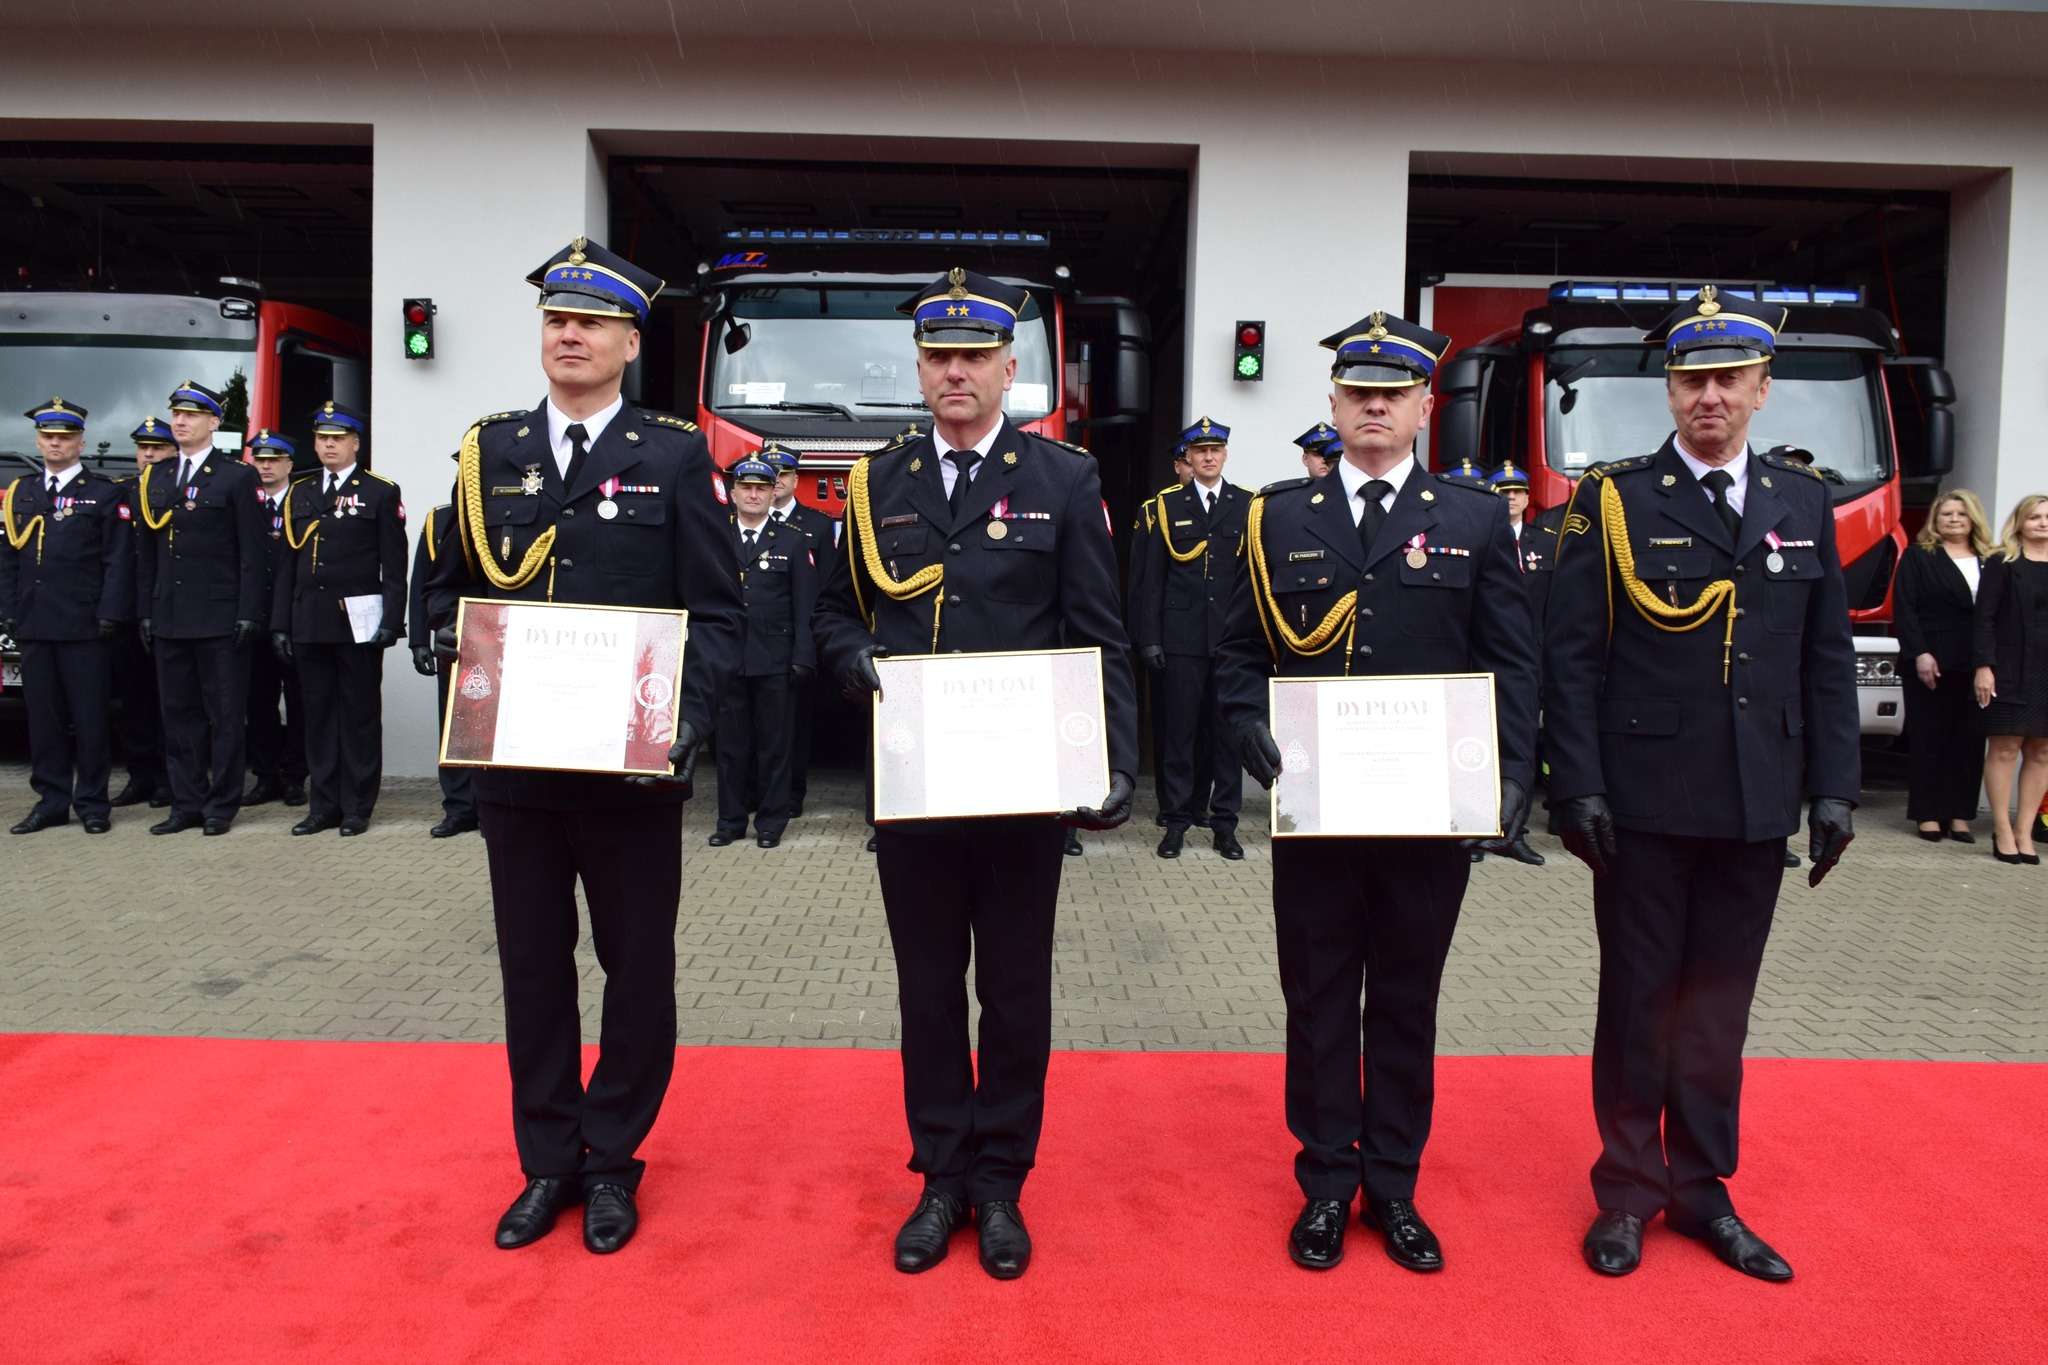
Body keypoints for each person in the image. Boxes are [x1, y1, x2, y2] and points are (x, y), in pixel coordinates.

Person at [813, 267, 1138, 1281]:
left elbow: (1097, 630)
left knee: (1013, 991)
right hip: (915, 786)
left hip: (1020, 791)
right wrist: (852, 660)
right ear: (918, 370)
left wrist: (1116, 759)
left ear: (1008, 368)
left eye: (974, 356)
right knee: (925, 992)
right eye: (938, 356)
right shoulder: (877, 482)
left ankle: (1000, 1183)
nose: (955, 372)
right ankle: (940, 1177)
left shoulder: (1062, 480)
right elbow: (833, 612)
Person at [424, 236, 743, 1256]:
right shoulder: (489, 451)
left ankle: (611, 1158)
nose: (570, 335)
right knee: (532, 970)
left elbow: (718, 613)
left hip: (628, 774)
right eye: (558, 319)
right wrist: (443, 638)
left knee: (636, 970)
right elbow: (448, 582)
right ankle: (547, 1161)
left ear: (629, 344)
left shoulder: (672, 455)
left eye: (593, 323)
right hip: (516, 767)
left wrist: (688, 720)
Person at [1544, 285, 1859, 1282]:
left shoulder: (1801, 501)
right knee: (1640, 998)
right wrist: (1574, 784)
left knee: (1719, 1004)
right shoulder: (1615, 499)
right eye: (1691, 381)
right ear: (1669, 391)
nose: (1708, 397)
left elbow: (1825, 659)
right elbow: (1572, 658)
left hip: (1756, 800)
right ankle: (1627, 1190)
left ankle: (1701, 1187)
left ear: (1763, 388)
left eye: (1728, 379)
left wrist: (1835, 789)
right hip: (1642, 799)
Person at [1215, 310, 1539, 1274]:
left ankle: (1393, 1183)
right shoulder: (1278, 516)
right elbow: (1238, 649)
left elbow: (1511, 662)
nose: (1374, 406)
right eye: (1358, 391)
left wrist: (1511, 773)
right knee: (1317, 998)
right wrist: (1245, 720)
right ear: (1333, 402)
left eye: (1393, 393)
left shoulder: (1472, 519)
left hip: (1427, 816)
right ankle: (1325, 1182)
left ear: (1424, 407)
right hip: (1315, 809)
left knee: (1405, 997)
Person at [134, 380, 266, 836]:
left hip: (219, 617)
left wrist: (249, 612)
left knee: (225, 717)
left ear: (213, 422)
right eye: (176, 414)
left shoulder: (236, 476)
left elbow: (252, 552)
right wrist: (146, 609)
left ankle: (220, 806)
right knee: (178, 715)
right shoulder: (157, 476)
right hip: (170, 615)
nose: (180, 422)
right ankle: (186, 802)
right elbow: (147, 553)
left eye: (190, 415)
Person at [271, 404, 405, 836]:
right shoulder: (300, 492)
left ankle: (357, 806)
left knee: (359, 716)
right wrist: (280, 623)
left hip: (358, 623)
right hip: (309, 621)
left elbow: (394, 565)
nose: (329, 444)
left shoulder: (379, 492)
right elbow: (287, 564)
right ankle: (324, 805)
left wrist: (392, 620)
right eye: (322, 438)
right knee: (317, 717)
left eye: (338, 438)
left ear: (355, 443)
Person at [1, 399, 134, 834]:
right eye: (48, 437)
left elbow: (118, 561)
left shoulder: (105, 493)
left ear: (81, 442)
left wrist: (111, 613)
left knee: (90, 718)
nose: (55, 443)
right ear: (38, 441)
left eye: (64, 437)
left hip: (85, 625)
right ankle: (51, 801)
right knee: (44, 719)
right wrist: (9, 610)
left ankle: (92, 803)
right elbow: (8, 557)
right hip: (35, 622)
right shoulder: (22, 492)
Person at [1136, 417, 1249, 860]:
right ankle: (1176, 823)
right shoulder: (1167, 506)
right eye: (1200, 451)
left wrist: (1256, 641)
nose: (1208, 457)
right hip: (1180, 639)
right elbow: (1152, 580)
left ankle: (1225, 825)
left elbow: (1253, 580)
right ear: (1188, 457)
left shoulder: (1247, 504)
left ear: (1225, 455)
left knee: (1228, 738)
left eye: (1215, 450)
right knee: (1180, 737)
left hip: (1231, 641)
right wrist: (1150, 637)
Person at [710, 450, 819, 849]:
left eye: (761, 488)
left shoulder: (793, 541)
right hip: (727, 659)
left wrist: (804, 657)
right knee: (730, 747)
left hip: (775, 660)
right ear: (733, 493)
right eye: (745, 487)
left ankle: (771, 822)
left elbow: (805, 606)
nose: (753, 495)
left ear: (774, 493)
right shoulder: (716, 539)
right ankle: (730, 821)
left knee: (775, 746)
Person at [1896, 490, 1993, 842]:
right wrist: (1919, 653)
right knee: (1930, 737)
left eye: (1961, 514)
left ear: (1973, 519)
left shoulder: (1991, 559)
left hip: (1976, 661)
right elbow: (1905, 607)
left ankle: (1959, 814)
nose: (1954, 519)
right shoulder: (1918, 556)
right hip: (1931, 659)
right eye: (1947, 513)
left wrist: (1990, 661)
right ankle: (1927, 813)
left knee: (1968, 739)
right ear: (1935, 519)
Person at [1473, 460, 1549, 866]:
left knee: (1523, 740)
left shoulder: (1546, 543)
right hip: (1484, 661)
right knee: (1479, 744)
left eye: (1517, 492)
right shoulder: (1476, 537)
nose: (1511, 499)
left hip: (1532, 657)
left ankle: (1515, 833)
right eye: (1503, 493)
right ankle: (1477, 829)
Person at [1973, 492, 2048, 865]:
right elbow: (1984, 618)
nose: (2043, 523)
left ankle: (2024, 831)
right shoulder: (2002, 562)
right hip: (2009, 667)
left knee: (2042, 751)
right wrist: (1984, 666)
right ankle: (2002, 829)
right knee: (2005, 747)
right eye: (2035, 517)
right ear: (2019, 522)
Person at [763, 443, 836, 820]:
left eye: (784, 475)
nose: (776, 481)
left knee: (795, 722)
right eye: (770, 475)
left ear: (795, 480)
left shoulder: (818, 524)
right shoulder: (741, 521)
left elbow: (827, 585)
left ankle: (792, 791)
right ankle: (753, 791)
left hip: (798, 639)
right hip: (757, 638)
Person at [108, 417, 174, 808]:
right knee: (133, 701)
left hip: (168, 611)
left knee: (169, 701)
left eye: (158, 448)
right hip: (128, 613)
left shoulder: (179, 491)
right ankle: (140, 776)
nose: (148, 454)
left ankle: (168, 778)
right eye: (143, 448)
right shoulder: (120, 492)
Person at [244, 432, 308, 808]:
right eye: (260, 460)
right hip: (255, 621)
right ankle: (265, 776)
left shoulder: (301, 502)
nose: (266, 466)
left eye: (274, 460)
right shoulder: (246, 503)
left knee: (300, 704)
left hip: (294, 621)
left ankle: (295, 776)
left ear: (289, 465)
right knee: (259, 704)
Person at [406, 498, 476, 837]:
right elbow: (423, 580)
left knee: (494, 729)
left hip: (501, 637)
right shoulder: (440, 518)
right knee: (454, 728)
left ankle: (492, 808)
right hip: (454, 637)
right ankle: (460, 808)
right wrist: (419, 640)